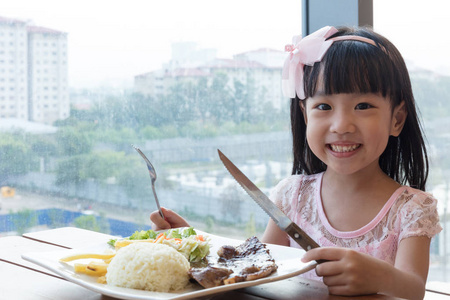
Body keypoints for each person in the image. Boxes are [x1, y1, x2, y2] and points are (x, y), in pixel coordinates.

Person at [150, 26, 442, 299]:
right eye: (323, 107)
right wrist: (190, 247)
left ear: (397, 119)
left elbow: (414, 290)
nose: (341, 125)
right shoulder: (292, 196)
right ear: (305, 116)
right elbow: (258, 271)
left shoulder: (413, 210)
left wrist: (380, 277)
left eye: (363, 106)